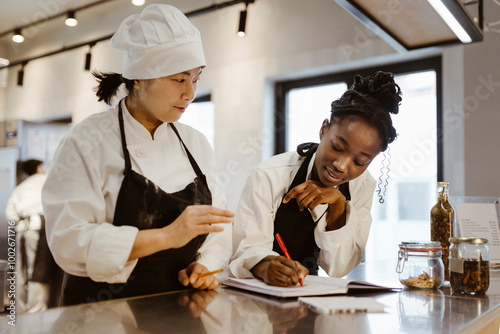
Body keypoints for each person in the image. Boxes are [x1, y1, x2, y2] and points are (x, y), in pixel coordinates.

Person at [41, 4, 234, 306]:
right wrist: (167, 236)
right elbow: (68, 240)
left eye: (196, 79)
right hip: (100, 314)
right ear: (140, 78)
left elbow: (218, 229)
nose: (190, 94)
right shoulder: (86, 141)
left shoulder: (195, 143)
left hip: (177, 308)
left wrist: (206, 265)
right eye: (179, 80)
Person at [230, 71, 402, 286]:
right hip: (259, 295)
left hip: (311, 294)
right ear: (323, 129)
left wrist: (338, 205)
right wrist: (266, 266)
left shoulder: (363, 186)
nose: (341, 165)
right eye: (337, 147)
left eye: (359, 162)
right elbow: (245, 251)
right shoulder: (270, 175)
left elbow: (339, 268)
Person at [6, 159, 48, 313]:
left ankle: (20, 310)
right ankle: (36, 310)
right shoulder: (47, 179)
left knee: (20, 271)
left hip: (22, 230)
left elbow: (10, 213)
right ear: (39, 167)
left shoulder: (20, 187)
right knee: (37, 270)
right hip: (40, 229)